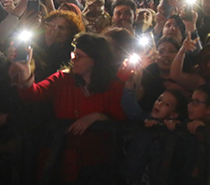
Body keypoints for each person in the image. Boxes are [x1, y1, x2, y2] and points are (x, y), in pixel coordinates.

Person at [10, 33, 126, 183]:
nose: (73, 59)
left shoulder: (113, 85)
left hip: (97, 161)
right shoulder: (62, 79)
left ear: (95, 60)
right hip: (61, 157)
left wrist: (98, 117)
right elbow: (34, 94)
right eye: (73, 54)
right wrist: (25, 76)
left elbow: (121, 117)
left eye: (79, 56)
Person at [32, 10, 84, 82]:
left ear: (70, 31)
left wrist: (51, 44)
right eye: (50, 26)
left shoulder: (73, 52)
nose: (55, 30)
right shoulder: (36, 45)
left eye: (61, 28)